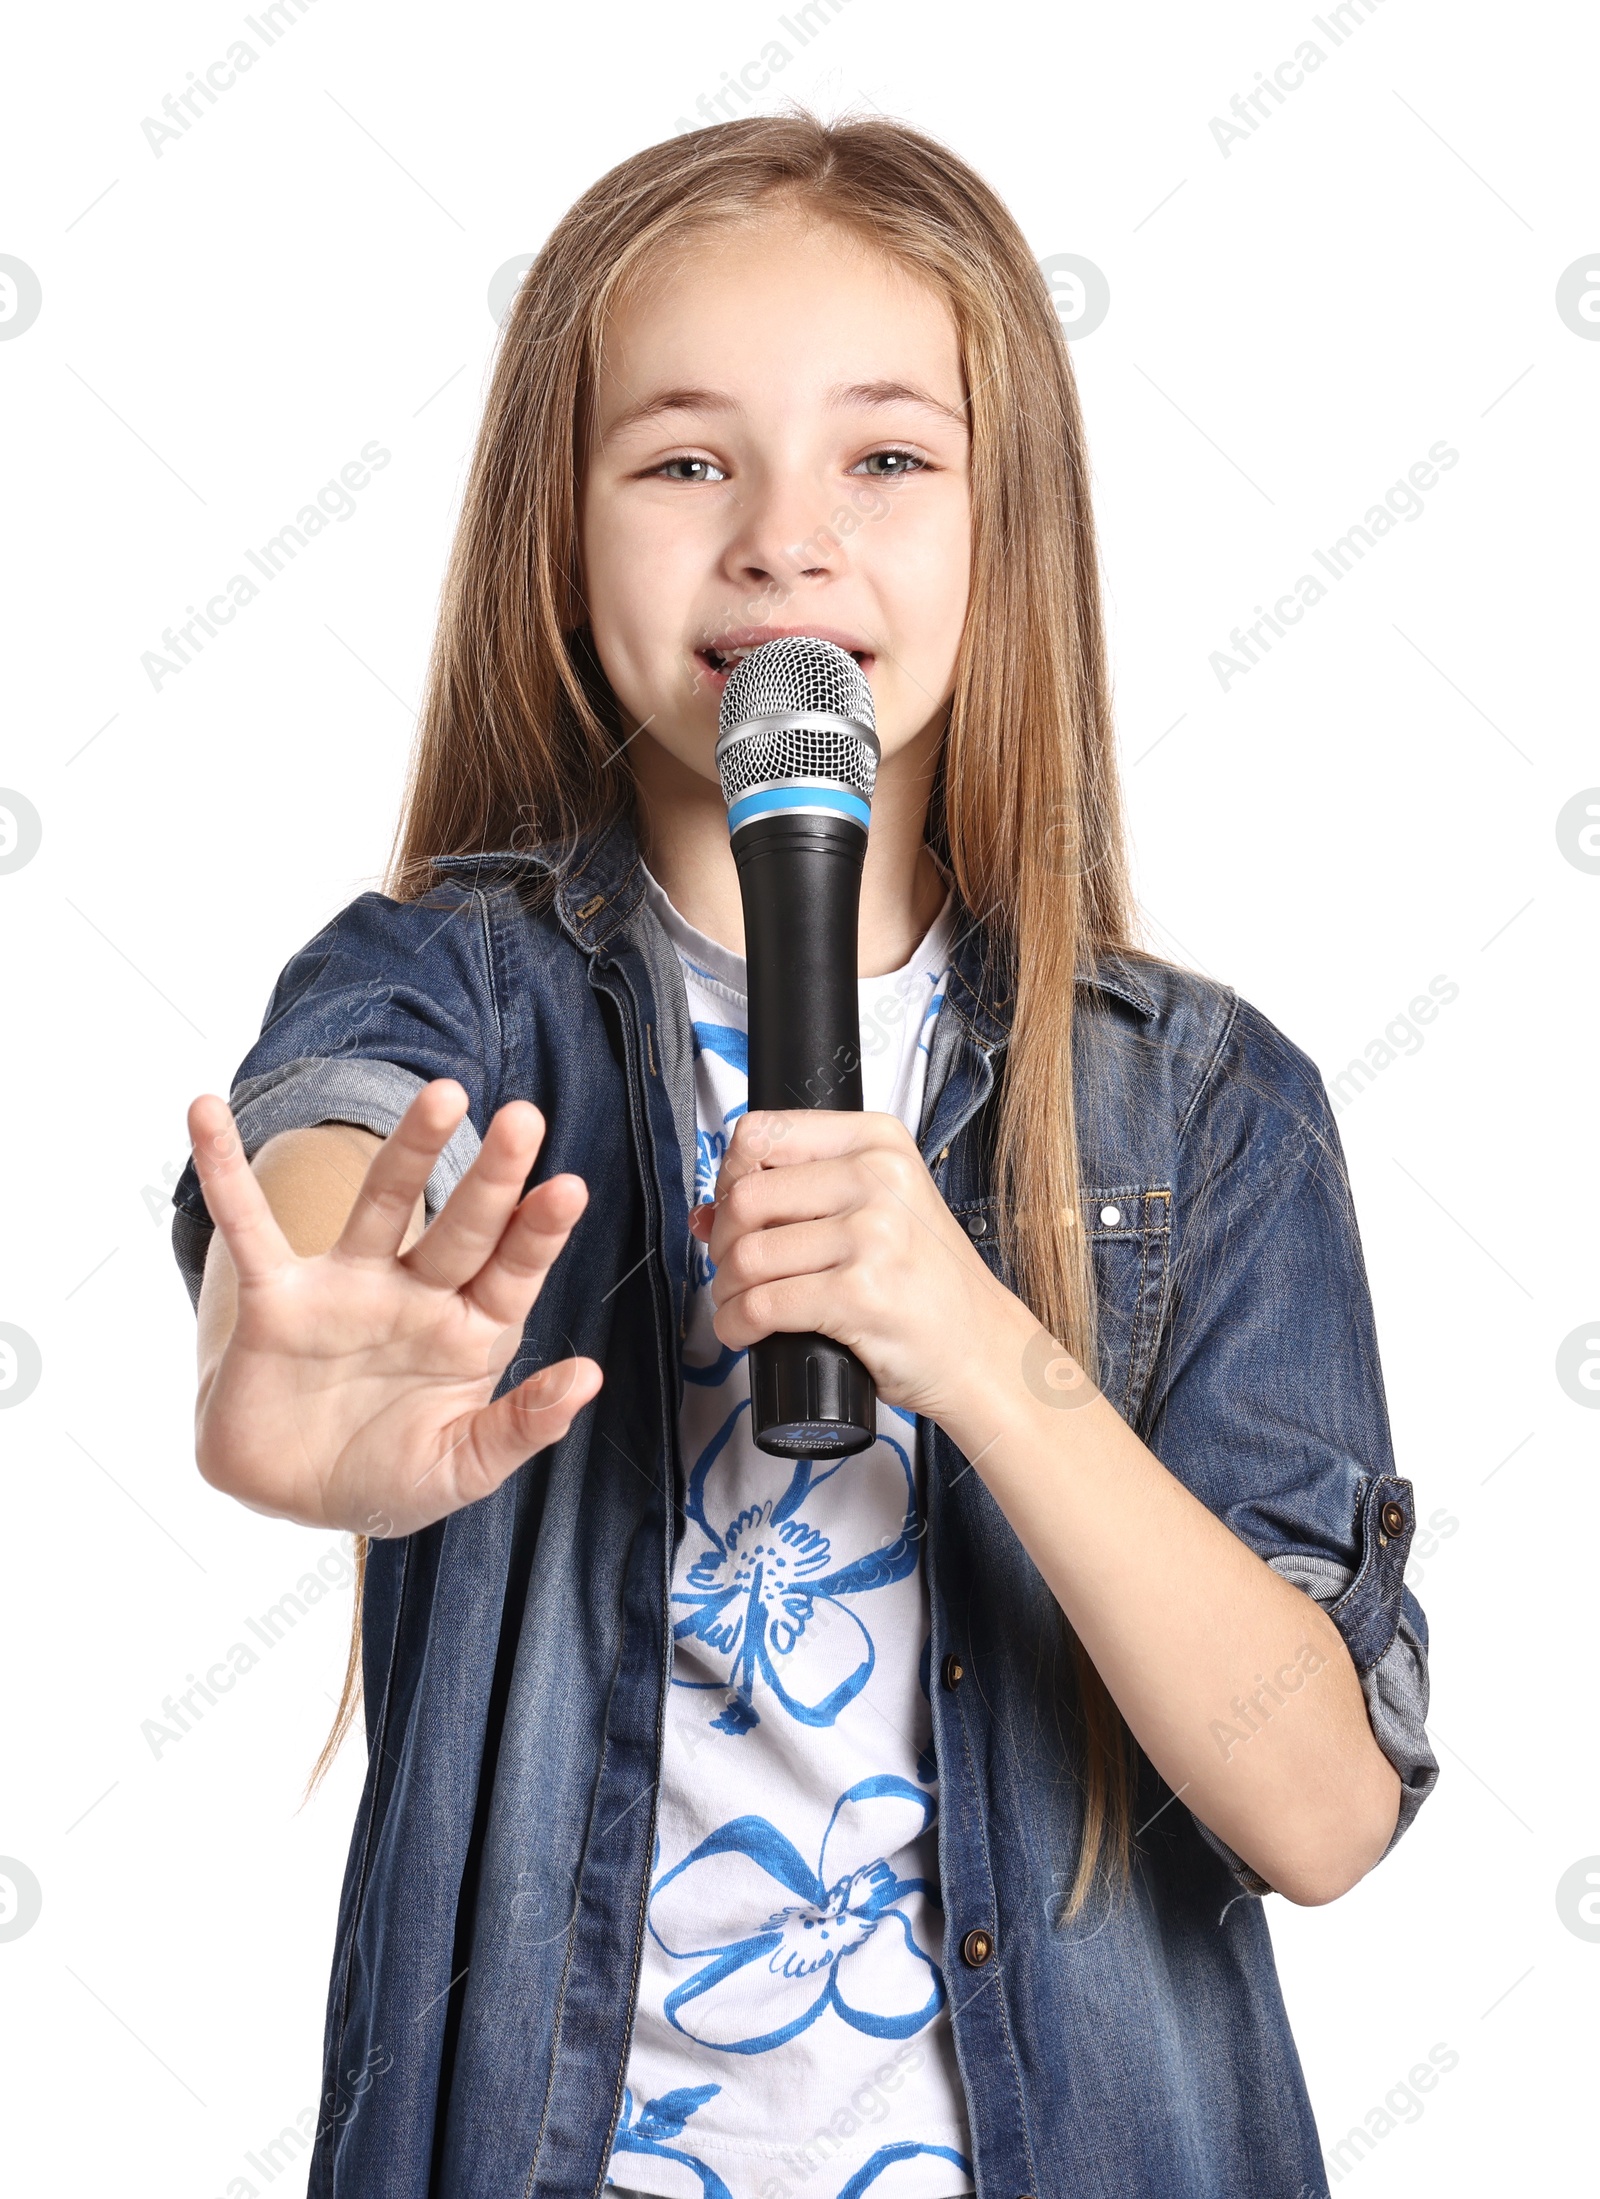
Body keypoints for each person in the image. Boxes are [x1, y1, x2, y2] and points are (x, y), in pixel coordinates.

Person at [171, 112, 1437, 2199]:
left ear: (998, 525)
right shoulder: (456, 992)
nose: (779, 543)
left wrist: (973, 1340)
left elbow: (1317, 1810)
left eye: (883, 459)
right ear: (554, 534)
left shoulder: (1202, 1107)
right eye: (683, 461)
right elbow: (320, 1167)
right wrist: (303, 1325)